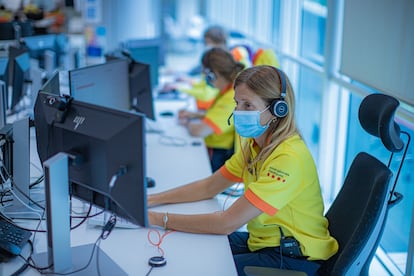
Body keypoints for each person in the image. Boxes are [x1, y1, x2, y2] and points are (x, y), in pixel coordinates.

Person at [148, 65, 338, 275]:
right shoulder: (255, 146)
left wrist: (158, 219)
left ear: (278, 110)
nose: (238, 112)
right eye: (237, 103)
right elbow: (209, 186)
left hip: (295, 258)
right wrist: (151, 199)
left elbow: (227, 223)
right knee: (193, 245)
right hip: (264, 242)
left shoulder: (289, 158)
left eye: (248, 105)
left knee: (202, 267)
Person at [178, 47, 245, 172]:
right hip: (217, 149)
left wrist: (186, 123)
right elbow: (217, 115)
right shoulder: (229, 88)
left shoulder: (232, 97)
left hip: (218, 154)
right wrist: (194, 115)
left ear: (213, 75)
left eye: (205, 74)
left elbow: (199, 131)